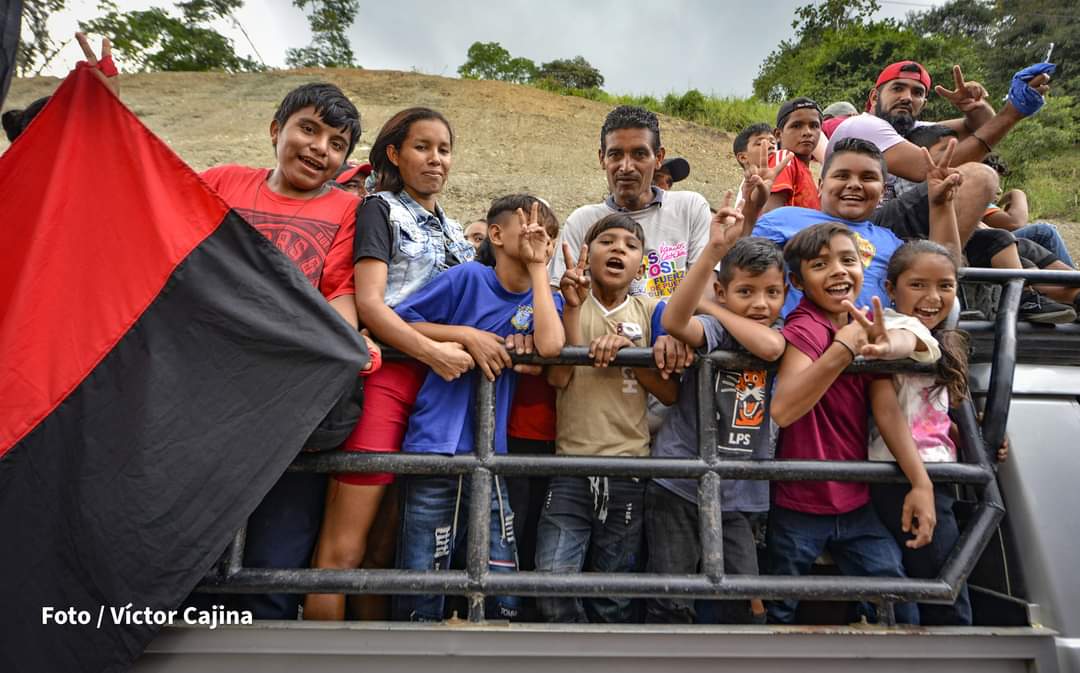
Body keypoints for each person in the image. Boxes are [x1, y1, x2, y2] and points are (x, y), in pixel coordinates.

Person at [306, 107, 478, 621]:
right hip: (387, 382)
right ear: (394, 154)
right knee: (343, 550)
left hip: (439, 399)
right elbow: (372, 304)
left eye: (444, 149)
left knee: (387, 552)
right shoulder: (379, 209)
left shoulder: (454, 231)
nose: (435, 159)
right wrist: (432, 351)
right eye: (422, 147)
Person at [392, 200, 565, 622]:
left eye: (546, 232)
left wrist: (541, 270)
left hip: (492, 450)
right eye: (527, 225)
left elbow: (551, 347)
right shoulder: (469, 277)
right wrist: (467, 335)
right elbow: (400, 321)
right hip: (437, 439)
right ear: (496, 234)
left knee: (496, 559)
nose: (536, 235)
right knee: (424, 560)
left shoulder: (544, 298)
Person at [767, 222, 939, 625]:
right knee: (778, 607)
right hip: (799, 504)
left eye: (849, 260)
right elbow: (784, 408)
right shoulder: (805, 326)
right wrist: (844, 347)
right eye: (820, 264)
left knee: (895, 598)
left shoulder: (865, 325)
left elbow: (887, 410)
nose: (839, 271)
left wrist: (921, 482)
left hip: (855, 500)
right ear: (797, 281)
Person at [648, 202, 787, 625]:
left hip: (738, 491)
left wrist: (713, 307)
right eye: (746, 291)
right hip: (679, 479)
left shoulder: (775, 332)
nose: (760, 303)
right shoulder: (716, 330)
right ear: (723, 290)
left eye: (772, 292)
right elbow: (673, 319)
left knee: (745, 598)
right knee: (672, 594)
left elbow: (768, 348)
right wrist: (711, 254)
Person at [536, 214, 677, 623]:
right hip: (570, 467)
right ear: (588, 252)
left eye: (630, 245)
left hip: (629, 469)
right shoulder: (563, 303)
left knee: (612, 596)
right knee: (550, 583)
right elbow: (559, 376)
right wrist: (574, 312)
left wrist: (631, 352)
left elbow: (670, 392)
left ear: (643, 264)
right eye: (607, 241)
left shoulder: (652, 310)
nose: (618, 249)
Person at [827, 59, 1053, 249]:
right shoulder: (863, 125)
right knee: (980, 177)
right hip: (859, 223)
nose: (907, 97)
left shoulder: (910, 128)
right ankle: (944, 271)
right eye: (897, 88)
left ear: (923, 103)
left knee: (1041, 237)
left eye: (917, 92)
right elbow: (927, 170)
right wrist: (1012, 113)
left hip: (894, 224)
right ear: (875, 97)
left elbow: (980, 126)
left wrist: (976, 106)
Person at [868, 240, 972, 625]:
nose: (932, 297)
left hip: (933, 476)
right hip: (905, 478)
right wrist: (920, 483)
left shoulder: (948, 338)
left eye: (945, 285)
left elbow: (938, 413)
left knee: (936, 588)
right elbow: (887, 405)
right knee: (943, 600)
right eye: (918, 285)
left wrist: (974, 436)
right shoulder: (895, 325)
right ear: (891, 289)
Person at [549, 106, 711, 304]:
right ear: (602, 159)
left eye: (639, 154)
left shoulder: (690, 208)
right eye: (615, 155)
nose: (626, 167)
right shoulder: (581, 221)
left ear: (658, 158)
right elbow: (557, 297)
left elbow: (706, 292)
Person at [762, 97, 823, 212]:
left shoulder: (804, 170)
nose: (807, 132)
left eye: (814, 126)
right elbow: (771, 217)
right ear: (778, 134)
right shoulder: (784, 160)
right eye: (797, 126)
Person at [731, 122, 776, 209]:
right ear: (743, 157)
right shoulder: (747, 194)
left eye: (773, 142)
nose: (771, 146)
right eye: (760, 143)